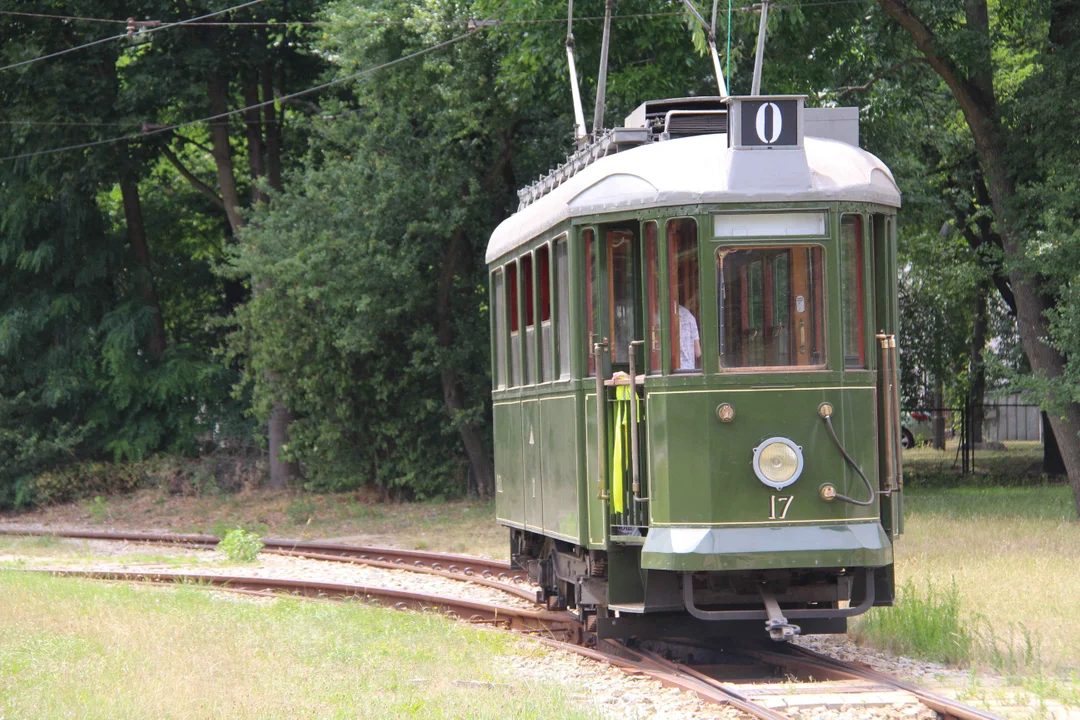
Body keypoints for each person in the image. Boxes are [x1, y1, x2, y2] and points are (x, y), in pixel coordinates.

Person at [678, 304, 701, 371]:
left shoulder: (659, 313)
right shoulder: (689, 316)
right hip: (688, 369)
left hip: (671, 371)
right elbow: (698, 352)